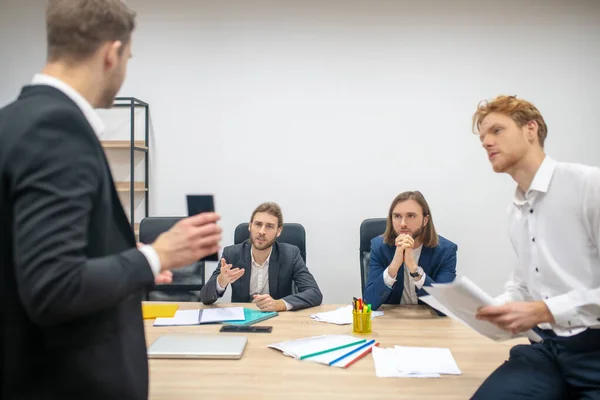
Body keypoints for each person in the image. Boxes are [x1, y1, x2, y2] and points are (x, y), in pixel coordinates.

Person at [0, 1, 221, 399]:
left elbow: (28, 258)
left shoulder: (12, 122)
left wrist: (119, 253)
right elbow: (53, 286)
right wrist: (157, 256)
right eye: (128, 58)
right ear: (111, 53)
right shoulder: (57, 130)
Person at [471, 95, 600, 399]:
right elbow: (523, 287)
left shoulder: (588, 186)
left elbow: (540, 306)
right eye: (482, 137)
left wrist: (545, 310)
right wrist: (495, 308)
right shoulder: (515, 210)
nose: (486, 142)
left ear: (531, 129)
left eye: (496, 131)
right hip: (546, 347)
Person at [201, 202, 322, 311]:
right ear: (250, 226)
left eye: (269, 226)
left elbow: (314, 293)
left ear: (278, 231)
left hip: (278, 320)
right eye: (258, 224)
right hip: (242, 321)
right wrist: (220, 282)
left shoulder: (290, 255)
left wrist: (279, 304)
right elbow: (205, 298)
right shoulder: (231, 254)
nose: (262, 231)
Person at [363, 191, 457, 311]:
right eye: (397, 216)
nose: (403, 224)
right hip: (390, 322)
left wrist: (414, 268)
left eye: (411, 216)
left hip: (429, 323)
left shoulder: (446, 251)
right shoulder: (379, 247)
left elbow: (444, 307)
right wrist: (393, 267)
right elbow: (369, 302)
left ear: (425, 220)